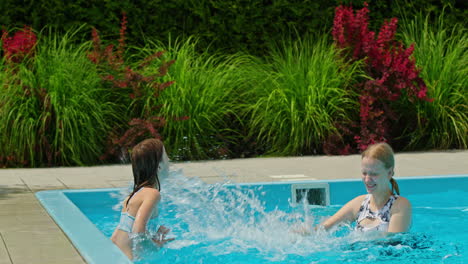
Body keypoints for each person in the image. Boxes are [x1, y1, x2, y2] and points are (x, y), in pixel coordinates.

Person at [297, 142, 411, 234]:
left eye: (374, 174)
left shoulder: (400, 206)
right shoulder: (359, 204)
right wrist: (300, 234)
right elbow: (324, 229)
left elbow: (393, 241)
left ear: (389, 172)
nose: (367, 179)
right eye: (364, 173)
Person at [111, 138, 174, 259]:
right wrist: (155, 245)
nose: (170, 161)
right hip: (127, 258)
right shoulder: (153, 194)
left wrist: (153, 237)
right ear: (159, 167)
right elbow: (137, 232)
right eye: (166, 158)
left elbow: (121, 231)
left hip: (115, 252)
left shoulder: (134, 194)